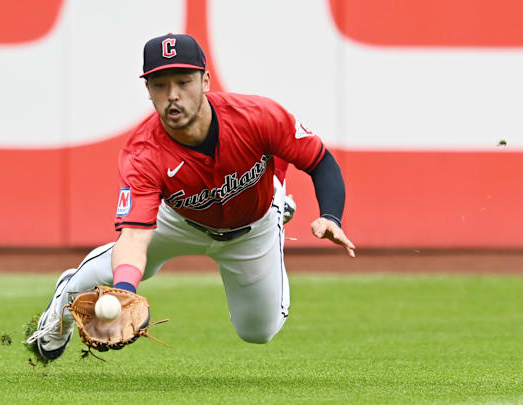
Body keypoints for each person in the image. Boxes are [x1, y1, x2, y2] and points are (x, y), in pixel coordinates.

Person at [28, 33, 355, 360]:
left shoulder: (257, 116)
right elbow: (135, 236)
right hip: (180, 222)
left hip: (252, 229)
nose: (172, 95)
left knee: (258, 331)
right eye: (159, 85)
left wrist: (331, 215)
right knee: (112, 271)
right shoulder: (143, 152)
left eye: (183, 82)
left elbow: (320, 161)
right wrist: (125, 292)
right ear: (148, 90)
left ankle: (277, 200)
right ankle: (62, 307)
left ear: (205, 81)